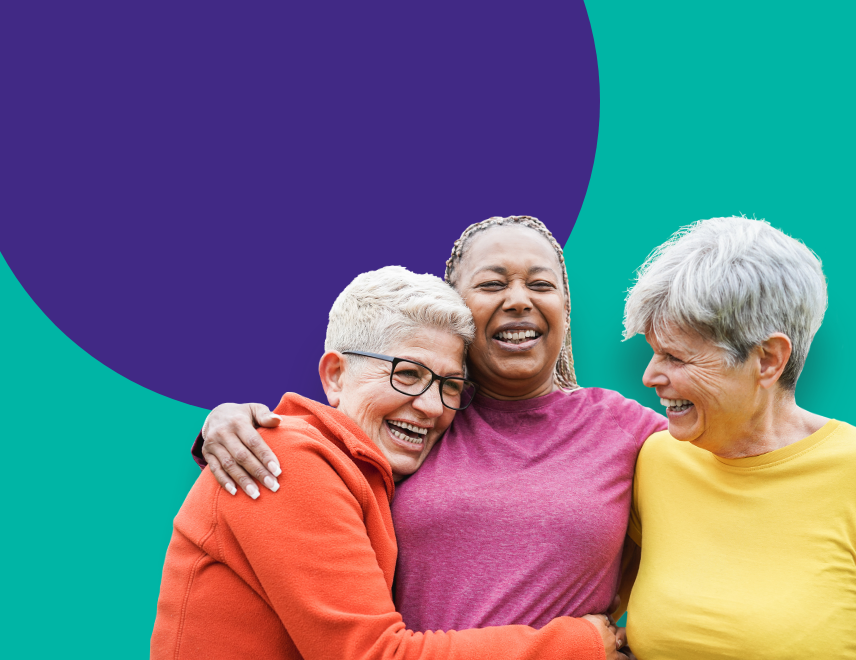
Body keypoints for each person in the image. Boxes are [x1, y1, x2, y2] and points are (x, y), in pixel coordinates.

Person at [196, 215, 665, 635]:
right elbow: (328, 443)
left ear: (566, 306)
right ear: (458, 312)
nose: (519, 299)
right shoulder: (422, 420)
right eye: (492, 284)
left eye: (542, 285)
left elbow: (724, 468)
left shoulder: (628, 432)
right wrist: (232, 420)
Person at [152, 266, 620, 660]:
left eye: (450, 386)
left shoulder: (357, 468)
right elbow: (375, 654)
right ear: (335, 375)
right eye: (408, 373)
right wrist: (581, 642)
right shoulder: (289, 461)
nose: (432, 406)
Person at [621, 217, 855, 658]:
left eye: (675, 356)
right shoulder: (656, 460)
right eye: (654, 352)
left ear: (767, 360)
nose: (650, 376)